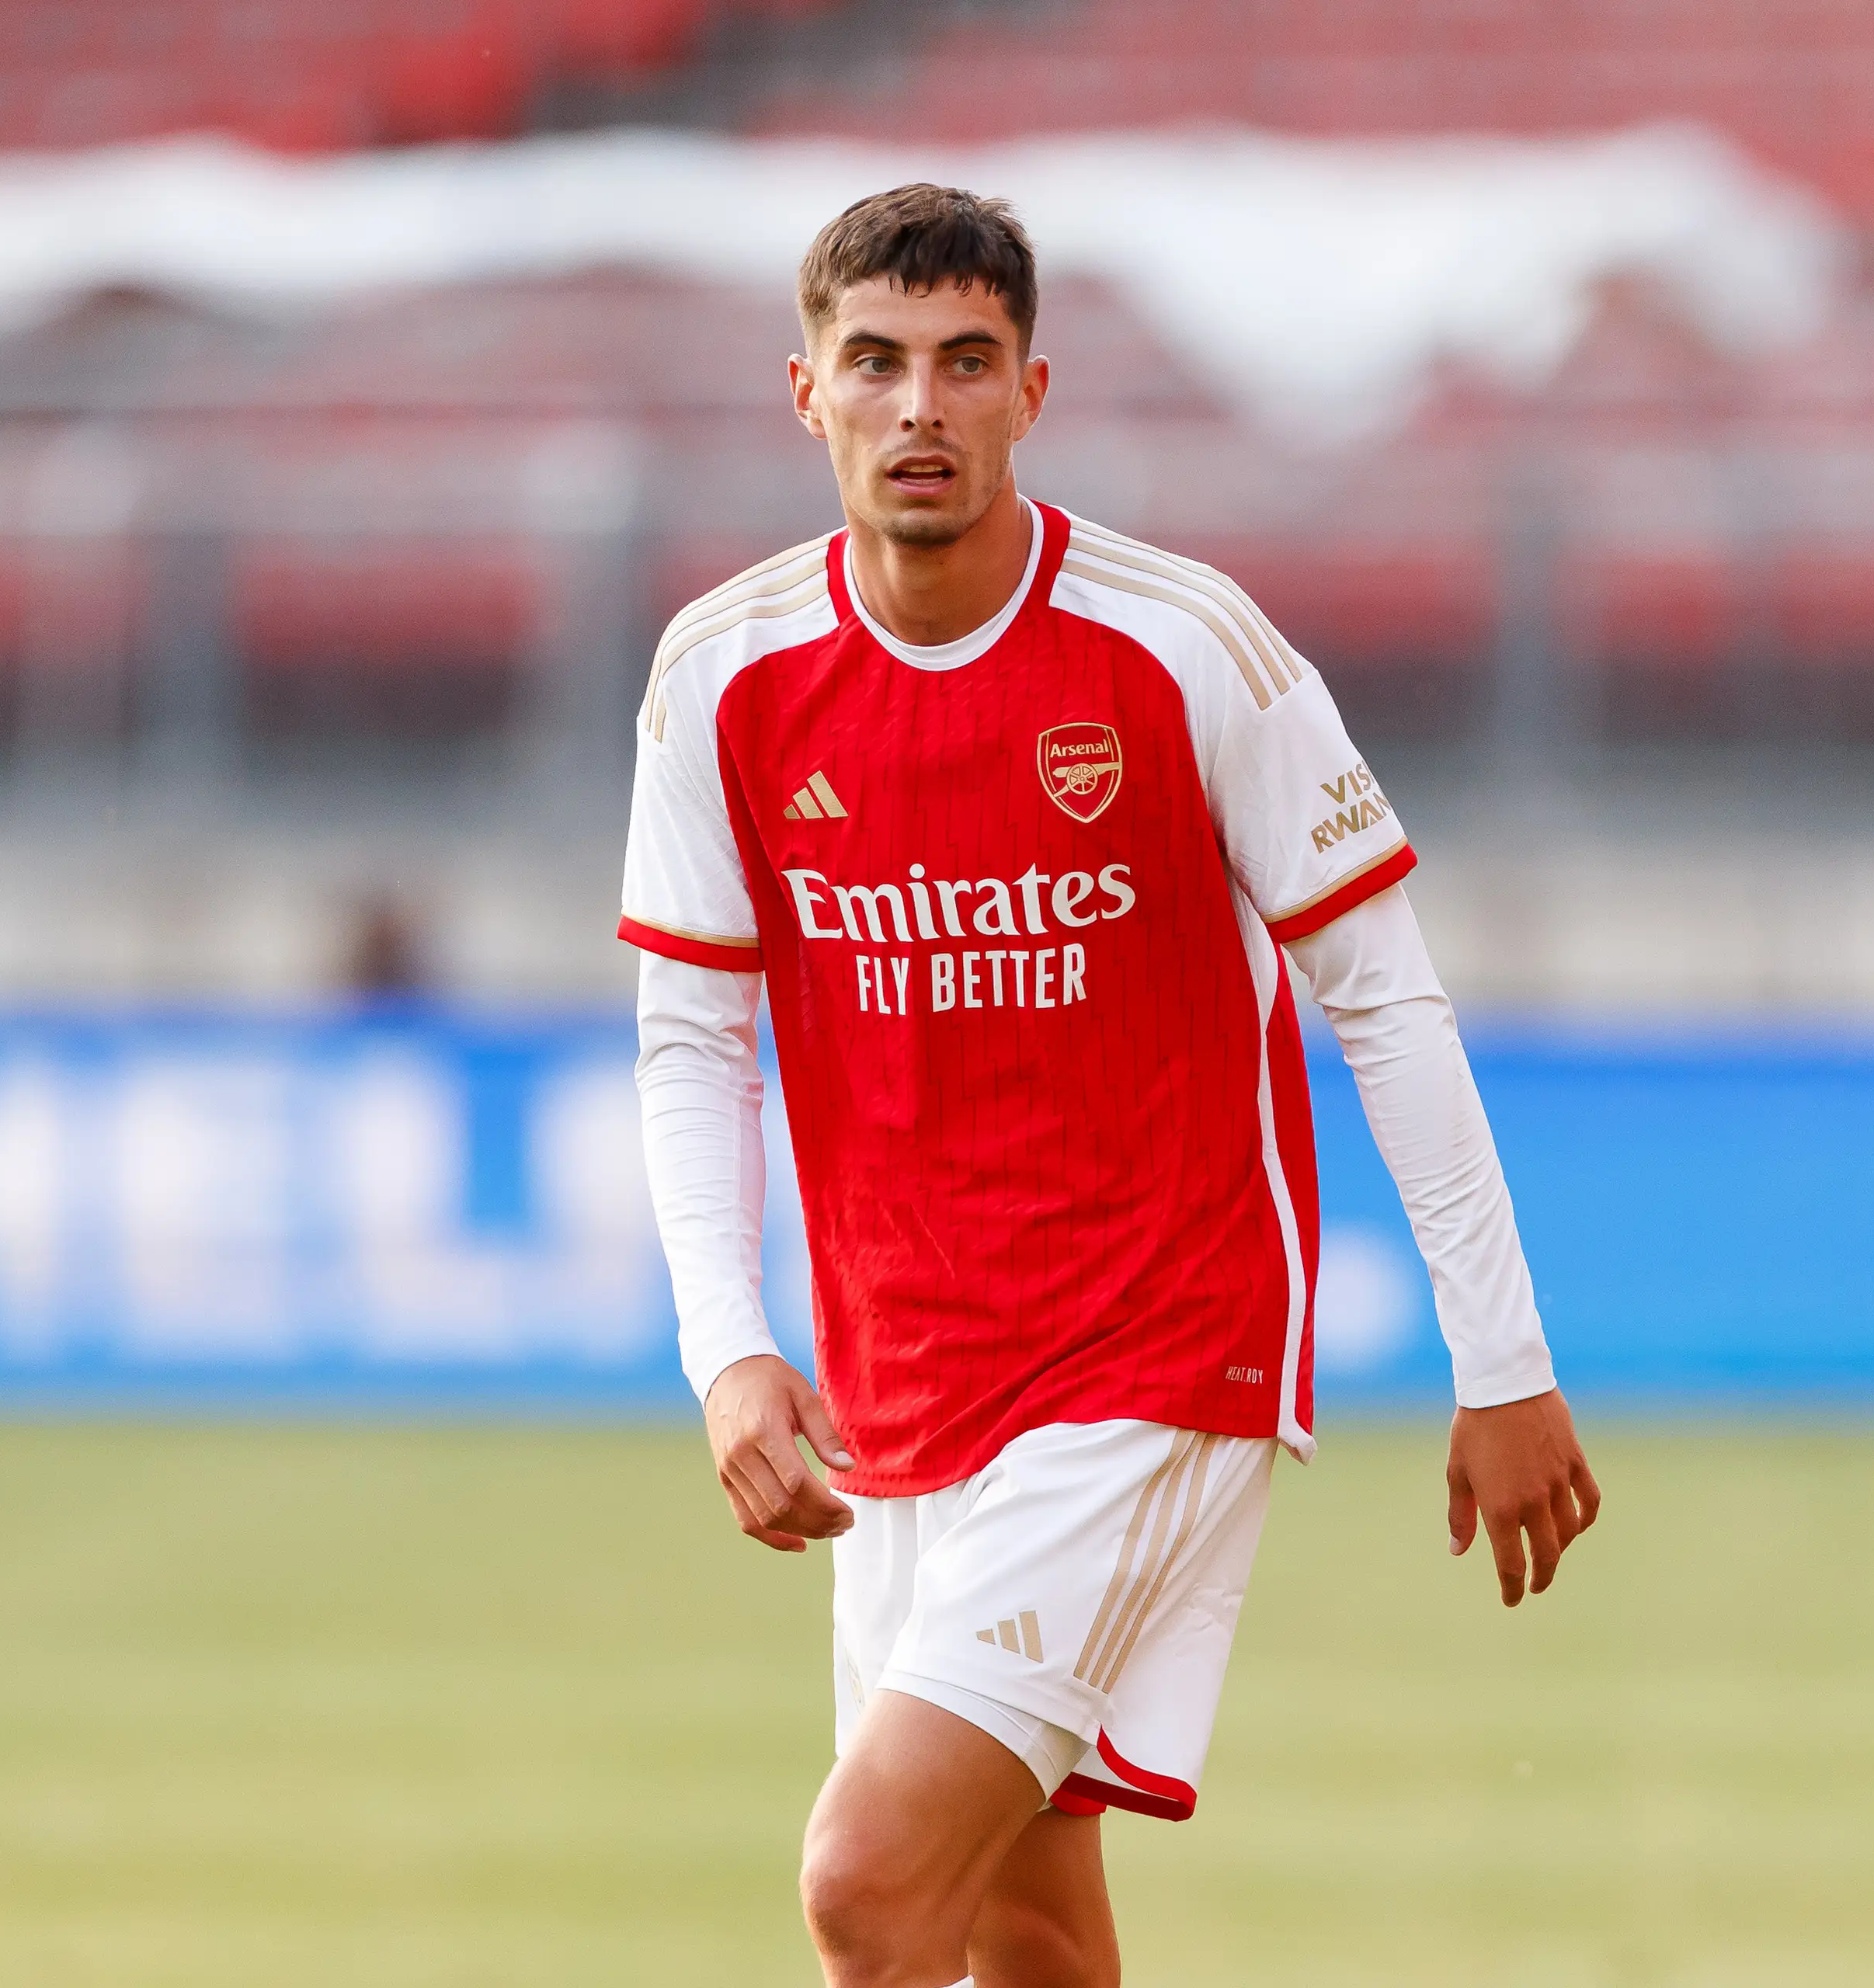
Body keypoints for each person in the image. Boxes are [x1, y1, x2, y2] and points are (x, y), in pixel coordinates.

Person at [621, 182, 1599, 1988]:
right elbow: (693, 1030)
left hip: (1157, 1347)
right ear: (807, 392)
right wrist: (722, 1341)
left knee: (866, 1880)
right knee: (1028, 1922)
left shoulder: (1185, 646)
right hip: (906, 1372)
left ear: (1031, 390)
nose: (922, 404)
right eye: (880, 362)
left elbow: (1382, 997)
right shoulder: (723, 676)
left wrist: (1505, 1358)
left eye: (966, 362)